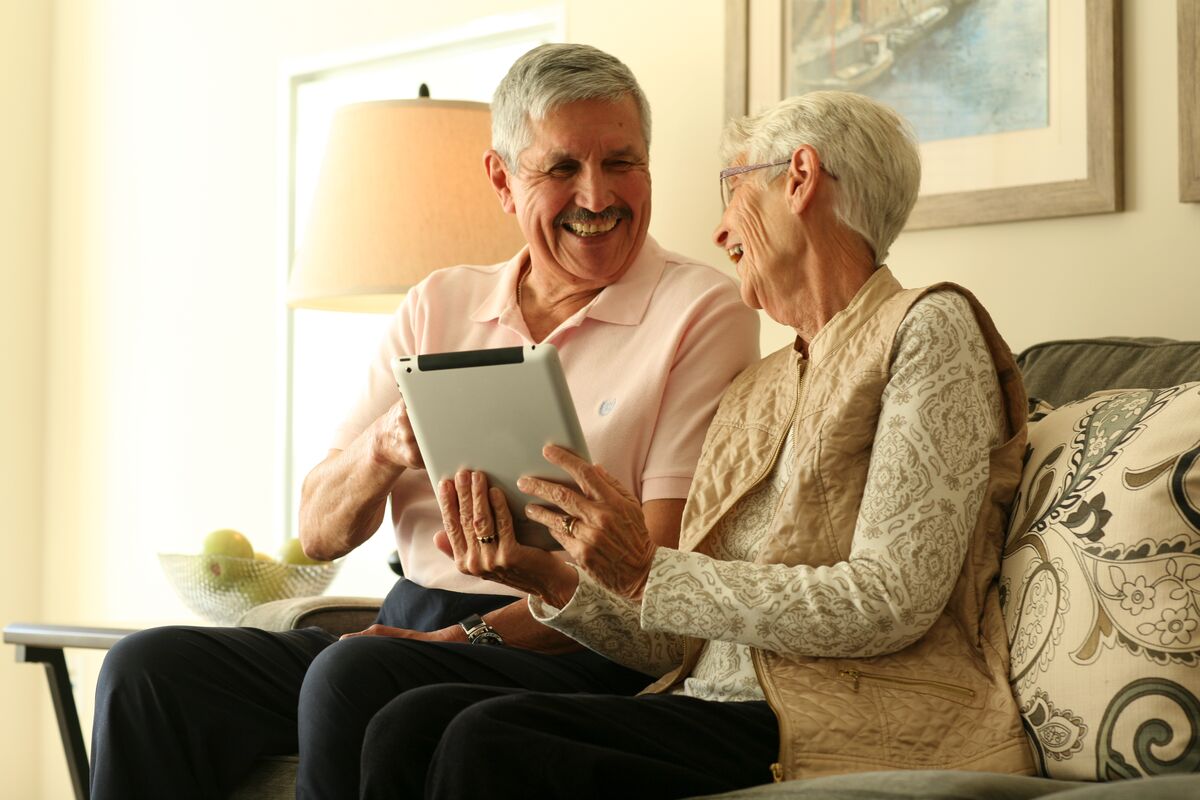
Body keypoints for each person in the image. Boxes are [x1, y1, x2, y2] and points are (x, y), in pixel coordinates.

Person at [89, 44, 759, 799]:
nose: (597, 195)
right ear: (502, 181)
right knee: (149, 670)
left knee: (354, 672)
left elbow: (657, 568)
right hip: (414, 625)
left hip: (572, 639)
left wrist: (459, 637)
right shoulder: (438, 303)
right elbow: (319, 532)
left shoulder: (701, 310)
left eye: (623, 162)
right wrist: (382, 447)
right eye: (563, 169)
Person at [360, 90, 1040, 799]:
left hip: (847, 717)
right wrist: (556, 576)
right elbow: (680, 640)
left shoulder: (927, 329)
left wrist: (648, 572)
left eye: (733, 190)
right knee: (407, 721)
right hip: (708, 704)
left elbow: (890, 598)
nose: (719, 233)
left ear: (800, 178)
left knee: (485, 739)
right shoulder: (759, 387)